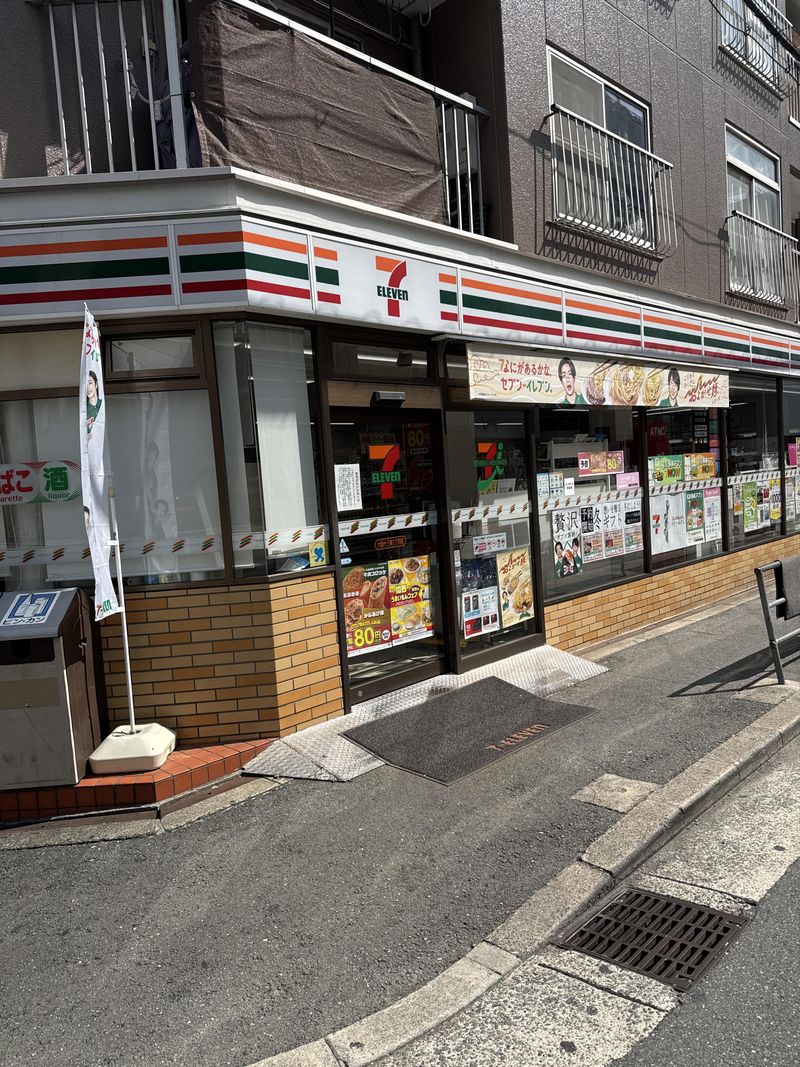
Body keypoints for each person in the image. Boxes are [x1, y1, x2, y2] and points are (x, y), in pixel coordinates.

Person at [86, 371, 102, 439]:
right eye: (85, 384)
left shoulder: (102, 404)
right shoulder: (84, 410)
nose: (88, 387)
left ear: (96, 384)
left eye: (90, 383)